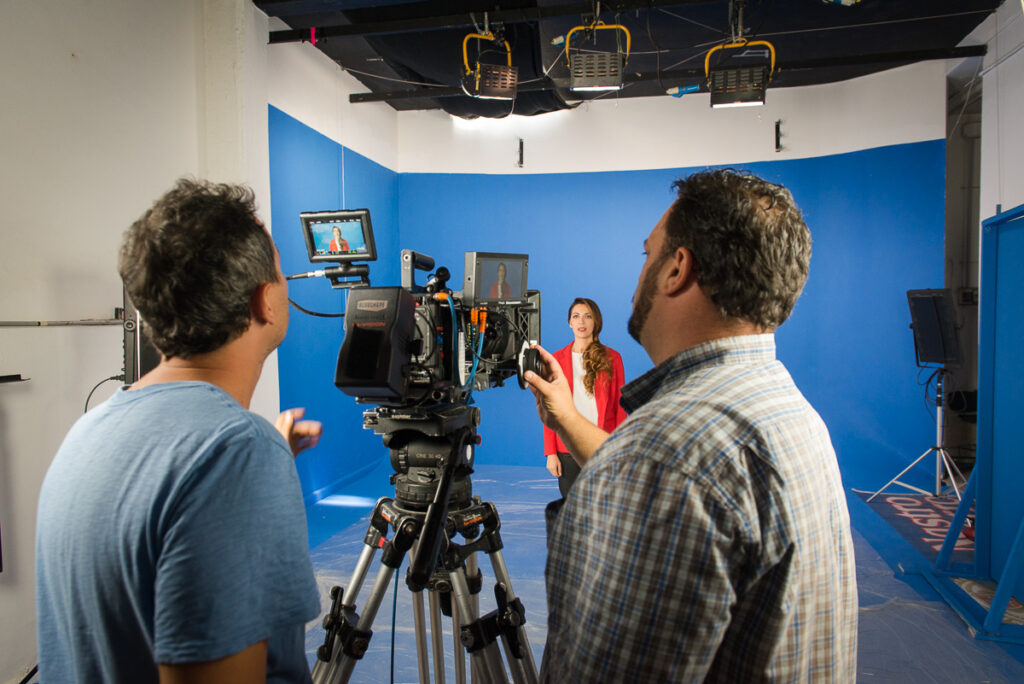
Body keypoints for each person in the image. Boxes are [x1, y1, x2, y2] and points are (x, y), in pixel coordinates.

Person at [525, 169, 857, 682]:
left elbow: (657, 464)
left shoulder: (662, 457)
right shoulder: (789, 412)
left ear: (676, 268)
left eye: (647, 254)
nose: (639, 274)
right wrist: (566, 417)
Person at [35, 179, 325, 683]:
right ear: (264, 302)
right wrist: (251, 462)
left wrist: (261, 460)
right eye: (281, 272)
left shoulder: (89, 432)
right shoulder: (234, 455)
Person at [543, 297, 626, 497]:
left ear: (596, 322)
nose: (581, 322)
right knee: (572, 509)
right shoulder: (556, 360)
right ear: (570, 322)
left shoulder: (612, 358)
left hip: (601, 444)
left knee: (603, 506)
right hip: (567, 447)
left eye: (588, 316)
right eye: (576, 316)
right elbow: (549, 408)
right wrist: (551, 453)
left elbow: (620, 406)